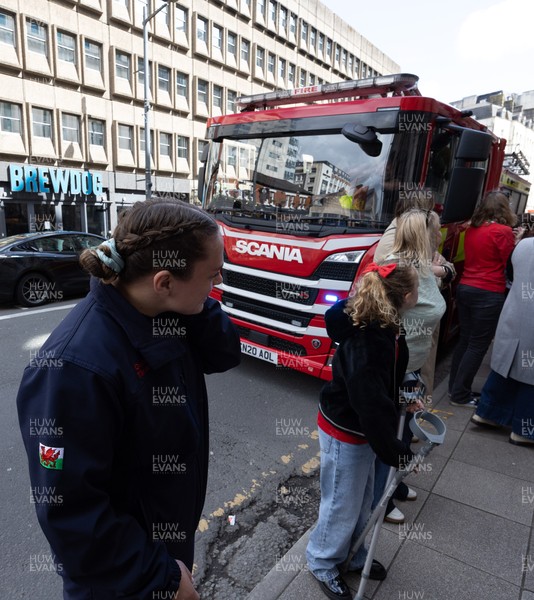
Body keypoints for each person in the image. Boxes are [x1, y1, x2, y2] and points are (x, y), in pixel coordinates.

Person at [17, 199, 241, 600]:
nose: (218, 282)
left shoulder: (165, 312)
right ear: (164, 281)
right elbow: (71, 514)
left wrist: (195, 303)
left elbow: (224, 353)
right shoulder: (72, 368)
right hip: (124, 581)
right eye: (212, 275)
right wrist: (163, 580)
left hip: (166, 546)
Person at [306, 262, 422, 600]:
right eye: (418, 289)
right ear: (405, 296)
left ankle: (353, 553)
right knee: (342, 501)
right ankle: (323, 562)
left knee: (364, 501)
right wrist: (397, 450)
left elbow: (385, 379)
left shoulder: (384, 323)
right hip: (347, 430)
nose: (421, 293)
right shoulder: (369, 339)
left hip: (359, 429)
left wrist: (404, 393)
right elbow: (369, 402)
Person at [374, 209, 447, 524]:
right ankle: (381, 499)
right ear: (424, 235)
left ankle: (395, 484)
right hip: (396, 368)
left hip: (412, 366)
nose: (441, 236)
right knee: (389, 436)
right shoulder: (399, 269)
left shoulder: (426, 265)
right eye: (436, 231)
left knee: (403, 433)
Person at [448, 191, 517, 407]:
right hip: (488, 292)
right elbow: (511, 262)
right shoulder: (503, 231)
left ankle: (454, 388)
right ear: (504, 208)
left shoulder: (472, 228)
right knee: (478, 345)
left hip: (466, 287)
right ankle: (460, 395)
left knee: (466, 340)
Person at [471, 236, 534, 446]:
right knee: (530, 377)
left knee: (507, 364)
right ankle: (524, 430)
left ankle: (488, 413)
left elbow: (510, 274)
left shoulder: (524, 244)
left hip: (515, 311)